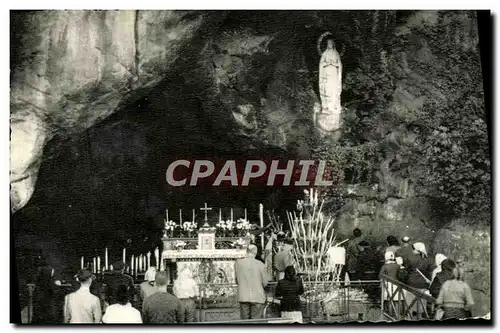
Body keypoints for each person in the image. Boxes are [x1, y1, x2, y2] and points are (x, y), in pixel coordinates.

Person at [235, 244, 269, 320]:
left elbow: (236, 280)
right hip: (258, 296)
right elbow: (265, 283)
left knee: (245, 322)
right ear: (255, 252)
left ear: (246, 251)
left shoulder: (238, 263)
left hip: (243, 296)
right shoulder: (261, 264)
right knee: (255, 322)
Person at [404, 242, 433, 316]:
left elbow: (406, 269)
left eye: (413, 248)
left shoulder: (410, 258)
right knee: (421, 303)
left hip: (412, 283)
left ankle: (409, 318)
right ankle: (419, 318)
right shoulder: (428, 259)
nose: (412, 250)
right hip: (423, 283)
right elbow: (429, 271)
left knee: (410, 302)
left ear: (416, 249)